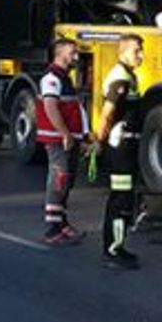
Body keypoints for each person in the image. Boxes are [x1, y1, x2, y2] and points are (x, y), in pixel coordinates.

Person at [93, 34, 145, 270]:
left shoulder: (129, 76)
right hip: (120, 147)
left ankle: (118, 246)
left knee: (124, 197)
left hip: (128, 145)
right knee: (120, 198)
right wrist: (99, 142)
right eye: (136, 51)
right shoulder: (120, 79)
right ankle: (113, 250)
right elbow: (107, 113)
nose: (141, 55)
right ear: (123, 52)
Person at [36, 38, 87, 246]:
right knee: (59, 178)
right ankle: (52, 229)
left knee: (66, 180)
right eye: (72, 53)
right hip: (57, 139)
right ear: (59, 54)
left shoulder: (64, 78)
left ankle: (62, 222)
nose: (76, 57)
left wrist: (80, 136)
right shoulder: (51, 79)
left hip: (67, 138)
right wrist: (65, 134)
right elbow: (50, 107)